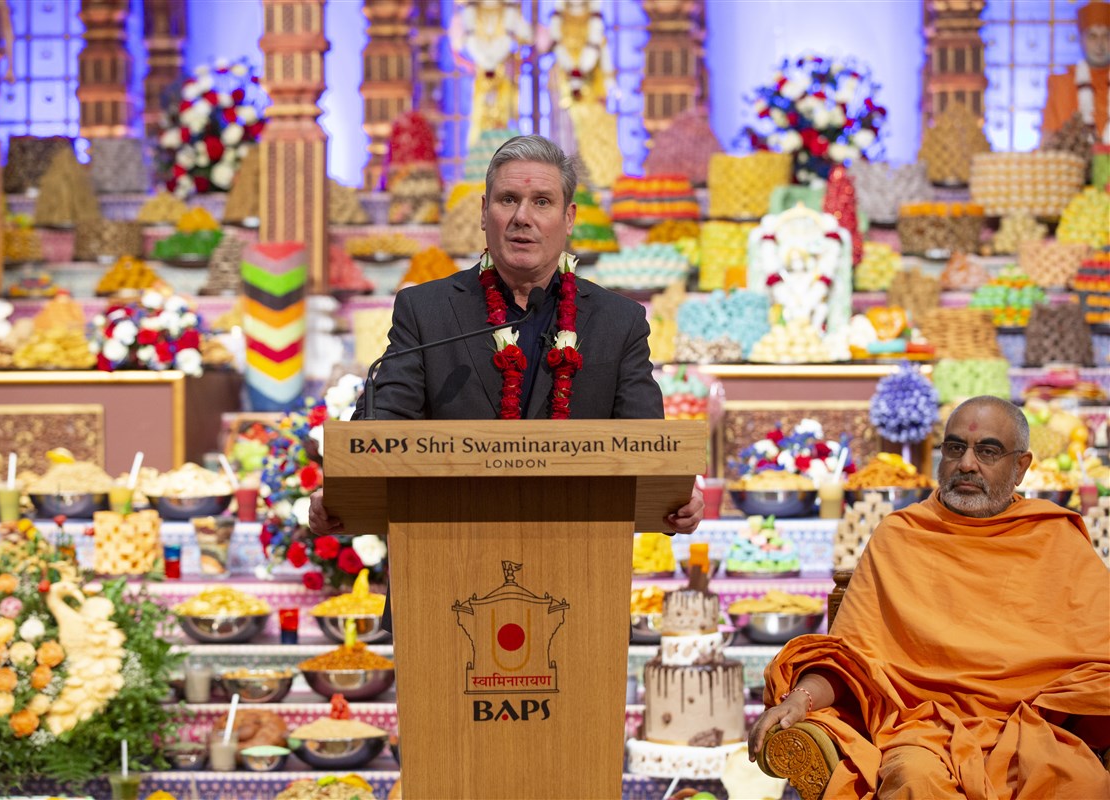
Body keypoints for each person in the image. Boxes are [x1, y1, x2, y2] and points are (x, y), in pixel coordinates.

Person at [309, 134, 704, 536]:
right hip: (443, 553)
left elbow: (649, 450)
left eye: (542, 202)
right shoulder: (426, 312)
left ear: (569, 218)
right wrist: (347, 488)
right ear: (484, 212)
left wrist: (677, 500)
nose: (522, 217)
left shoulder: (619, 322)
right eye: (508, 199)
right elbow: (380, 427)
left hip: (576, 561)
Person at [748, 396, 1109, 798]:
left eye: (987, 451)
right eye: (955, 448)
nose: (967, 464)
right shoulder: (902, 536)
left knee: (1080, 783)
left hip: (1033, 731)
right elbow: (850, 660)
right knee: (916, 781)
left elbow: (1099, 654)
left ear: (1021, 467)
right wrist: (799, 700)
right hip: (921, 731)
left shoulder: (1054, 538)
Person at [1042, 0, 1110, 144]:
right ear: (1081, 40)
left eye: (1106, 36)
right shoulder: (1061, 84)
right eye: (1092, 36)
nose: (1100, 44)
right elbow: (1048, 143)